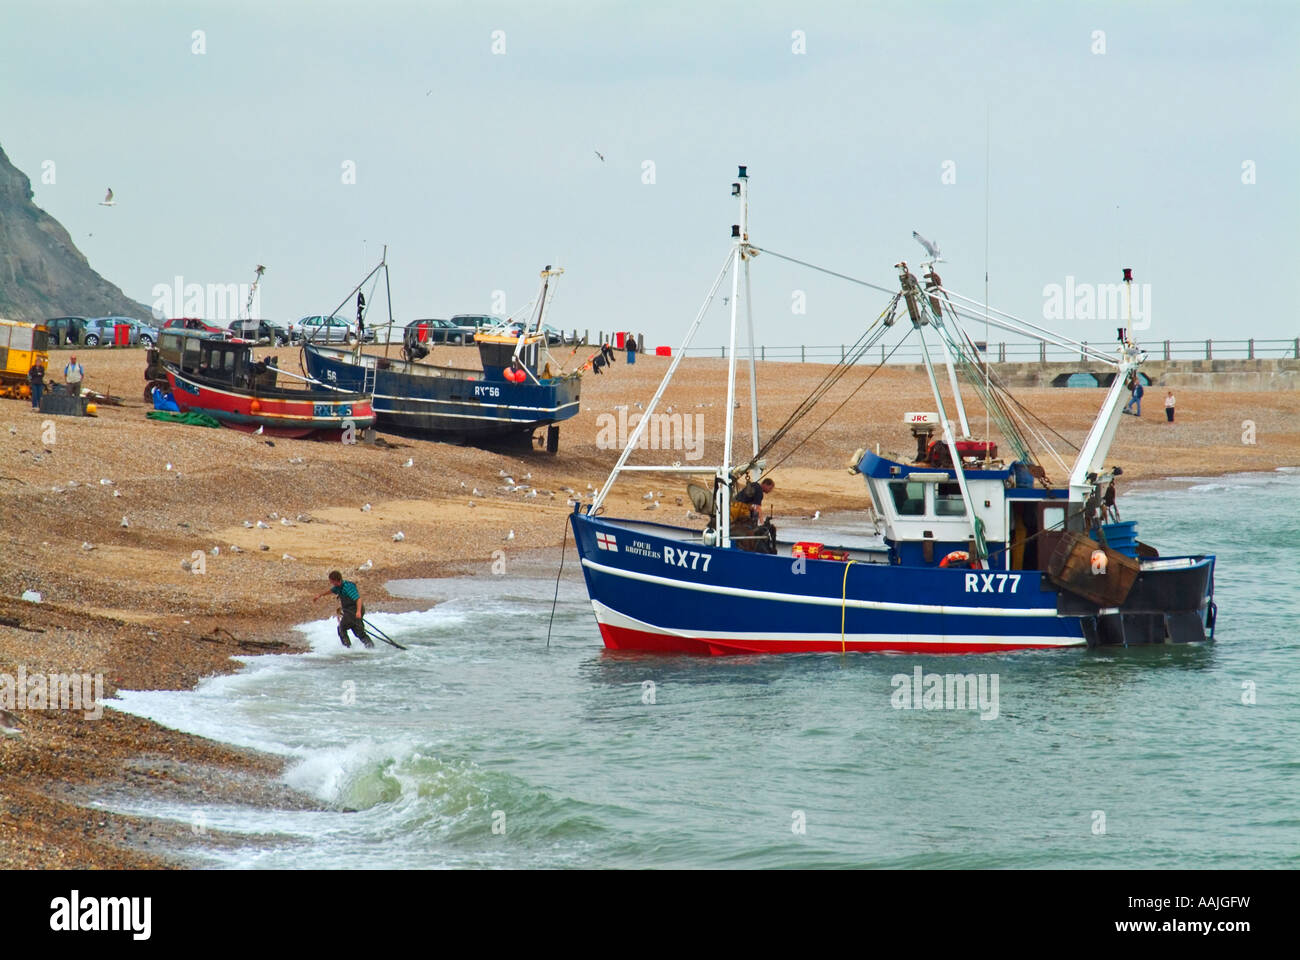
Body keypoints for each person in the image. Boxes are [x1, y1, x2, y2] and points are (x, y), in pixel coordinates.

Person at [314, 571, 373, 648]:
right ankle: (371, 647)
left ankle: (347, 649)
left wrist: (358, 612)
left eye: (331, 581)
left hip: (354, 611)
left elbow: (358, 599)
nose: (331, 583)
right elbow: (331, 590)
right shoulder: (338, 587)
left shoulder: (348, 587)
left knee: (342, 628)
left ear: (335, 580)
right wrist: (320, 595)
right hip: (349, 612)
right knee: (358, 631)